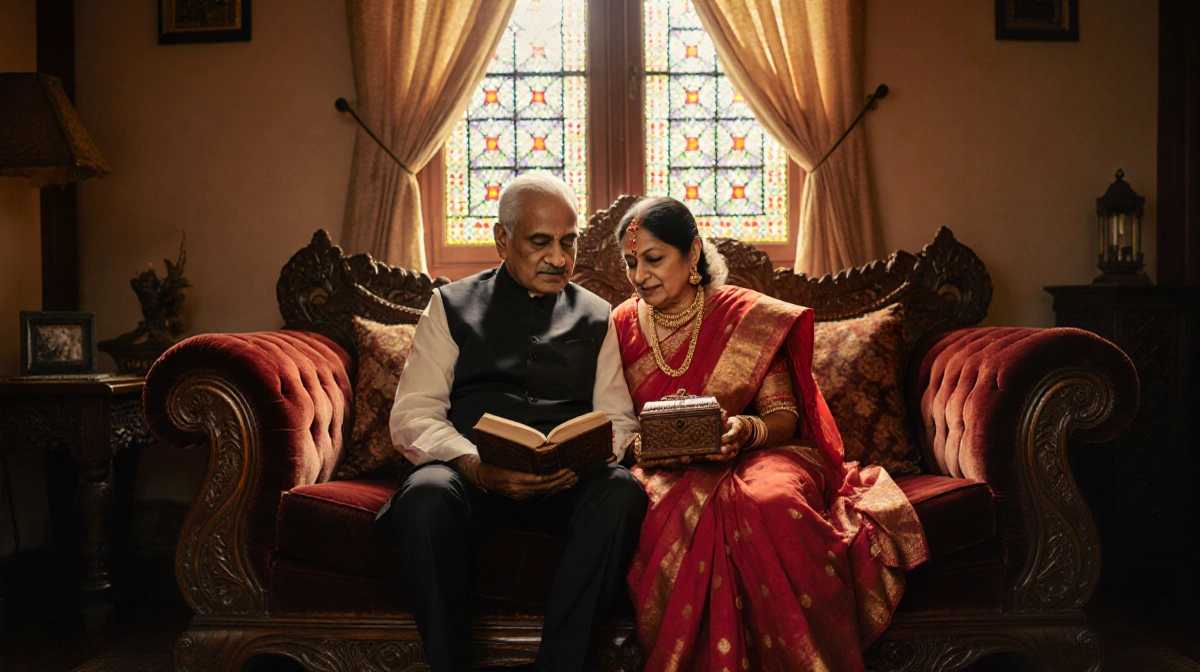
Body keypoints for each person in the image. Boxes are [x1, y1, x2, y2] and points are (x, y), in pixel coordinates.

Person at [613, 197, 929, 672]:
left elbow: (783, 416)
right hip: (667, 465)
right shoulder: (619, 324)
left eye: (653, 259)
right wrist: (644, 445)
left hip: (760, 452)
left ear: (692, 252)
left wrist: (745, 430)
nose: (640, 276)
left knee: (771, 502)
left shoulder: (748, 317)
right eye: (630, 262)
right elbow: (614, 417)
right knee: (665, 512)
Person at [377, 173, 648, 672]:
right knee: (424, 496)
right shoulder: (449, 305)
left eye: (568, 242)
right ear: (502, 240)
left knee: (621, 493)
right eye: (540, 242)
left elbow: (618, 420)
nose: (559, 258)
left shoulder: (597, 314)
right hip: (470, 476)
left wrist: (586, 453)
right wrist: (476, 466)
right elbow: (414, 413)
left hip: (566, 482)